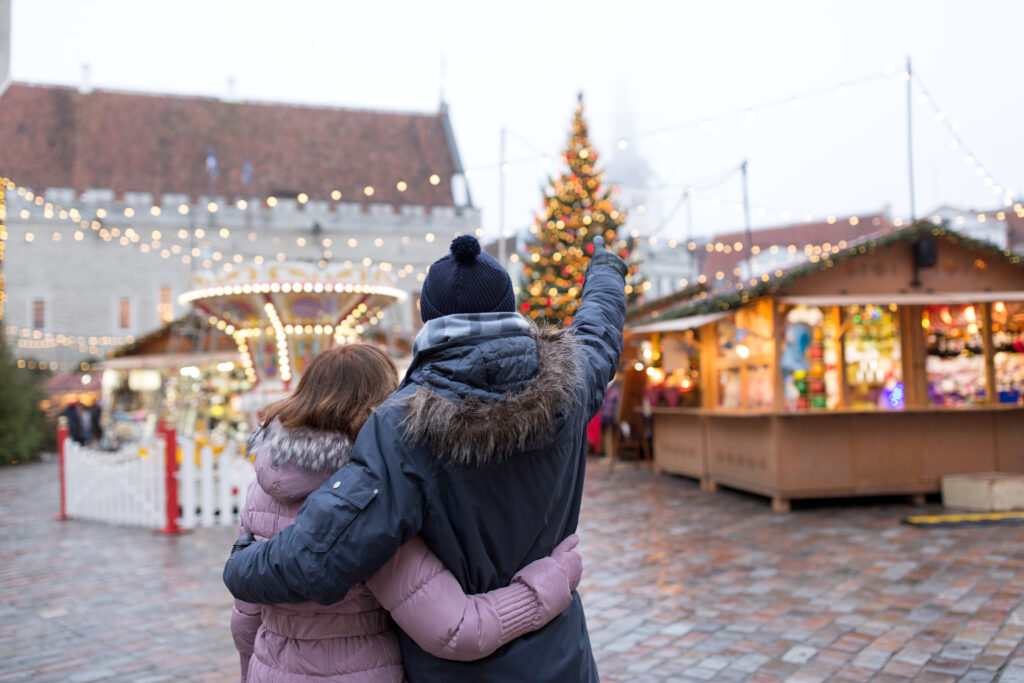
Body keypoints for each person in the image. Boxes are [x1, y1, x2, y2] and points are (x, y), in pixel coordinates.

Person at [225, 235, 627, 681]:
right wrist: (607, 269)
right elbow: (598, 329)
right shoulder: (571, 383)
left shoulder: (402, 425)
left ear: (429, 315)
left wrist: (242, 565)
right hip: (562, 656)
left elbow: (321, 554)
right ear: (507, 305)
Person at [230, 343, 582, 682]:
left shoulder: (262, 487)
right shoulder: (370, 505)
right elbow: (456, 629)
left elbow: (245, 619)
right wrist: (552, 581)